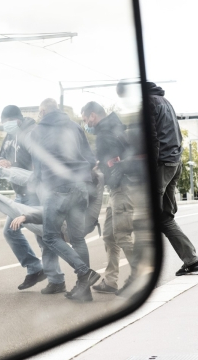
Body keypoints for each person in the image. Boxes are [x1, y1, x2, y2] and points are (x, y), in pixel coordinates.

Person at [29, 98, 100, 302]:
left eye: (39, 112)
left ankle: (84, 272)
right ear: (57, 109)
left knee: (50, 236)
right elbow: (90, 158)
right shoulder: (76, 126)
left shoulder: (37, 131)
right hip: (81, 186)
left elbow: (38, 166)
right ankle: (84, 291)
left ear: (42, 111)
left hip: (58, 187)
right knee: (77, 239)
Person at [0, 105, 47, 291]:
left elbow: (41, 163)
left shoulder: (31, 134)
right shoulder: (8, 137)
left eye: (7, 122)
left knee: (43, 236)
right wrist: (0, 162)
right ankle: (35, 268)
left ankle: (56, 278)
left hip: (34, 193)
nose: (5, 126)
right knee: (10, 231)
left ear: (17, 120)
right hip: (19, 194)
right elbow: (1, 156)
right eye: (3, 123)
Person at [146, 82, 198, 276]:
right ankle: (193, 262)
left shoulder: (150, 103)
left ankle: (140, 275)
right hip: (174, 163)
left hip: (162, 164)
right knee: (164, 217)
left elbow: (152, 139)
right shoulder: (165, 102)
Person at [81, 101, 135, 294]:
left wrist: (110, 174)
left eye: (86, 119)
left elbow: (116, 161)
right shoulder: (113, 127)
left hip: (122, 188)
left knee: (122, 235)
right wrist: (102, 166)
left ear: (93, 116)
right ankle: (111, 281)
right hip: (117, 188)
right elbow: (114, 158)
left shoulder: (105, 133)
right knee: (109, 236)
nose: (86, 123)